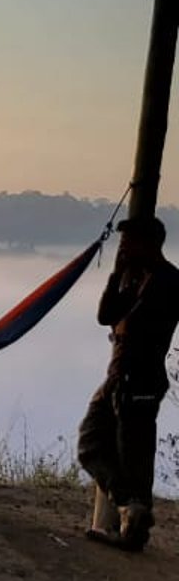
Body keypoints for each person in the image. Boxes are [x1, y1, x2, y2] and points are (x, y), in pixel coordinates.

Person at [77, 215, 179, 552]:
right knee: (92, 443)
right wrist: (118, 275)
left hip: (137, 381)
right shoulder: (136, 277)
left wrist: (127, 283)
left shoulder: (165, 282)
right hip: (120, 378)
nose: (122, 248)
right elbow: (105, 316)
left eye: (128, 243)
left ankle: (132, 523)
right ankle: (130, 509)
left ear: (148, 245)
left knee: (133, 457)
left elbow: (134, 325)